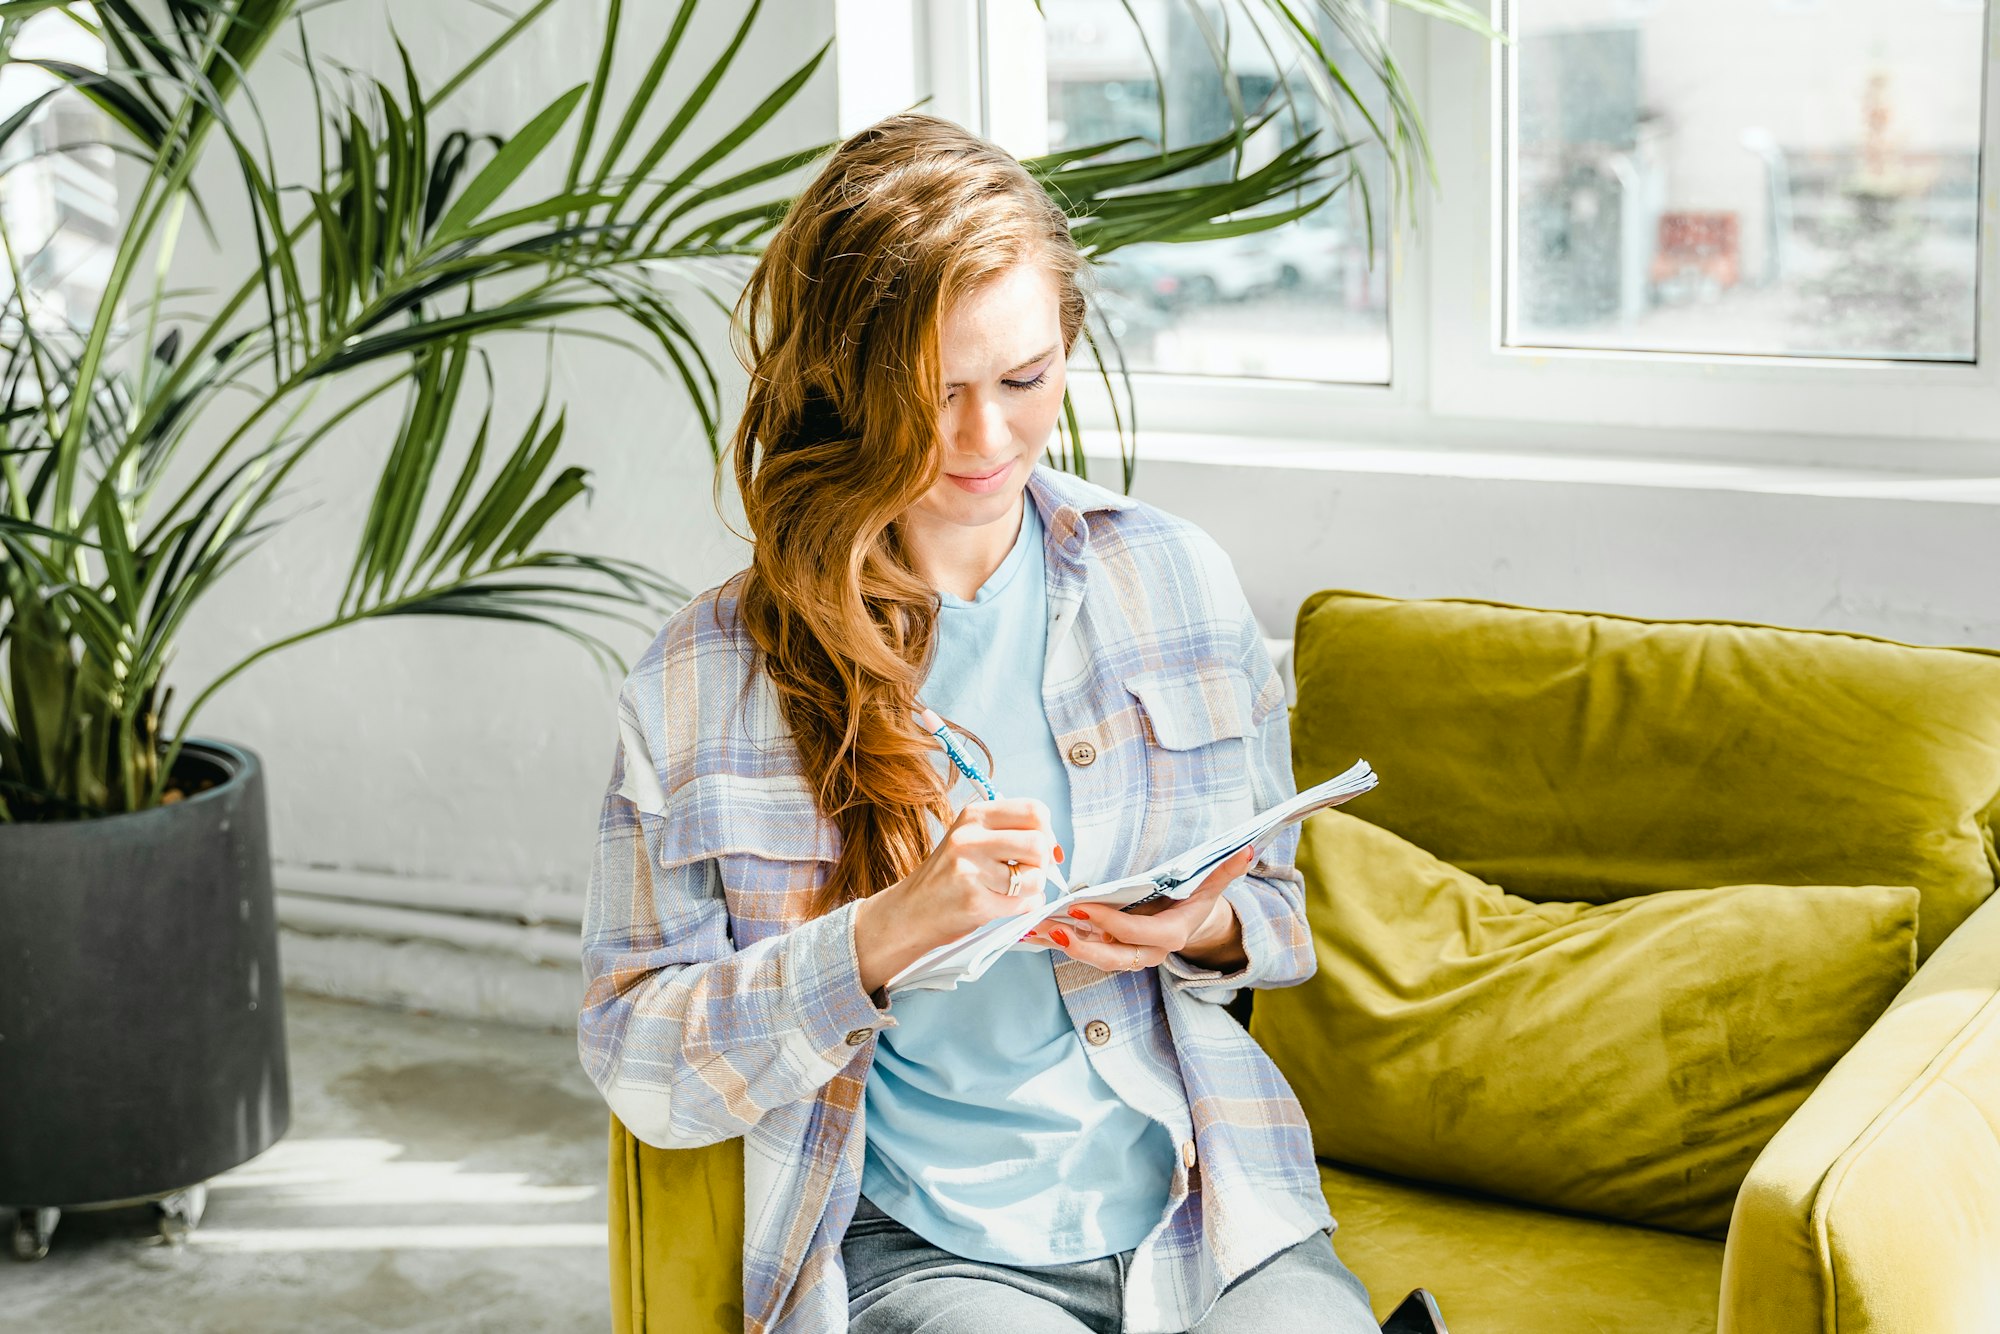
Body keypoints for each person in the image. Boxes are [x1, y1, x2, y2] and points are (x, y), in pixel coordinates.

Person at [578, 112, 1380, 1334]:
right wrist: (880, 937)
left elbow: (1272, 911)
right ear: (839, 381)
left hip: (1208, 1207)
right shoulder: (702, 681)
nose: (985, 438)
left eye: (1023, 378)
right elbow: (642, 1060)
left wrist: (1202, 921)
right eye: (932, 392)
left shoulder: (1174, 581)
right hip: (925, 1251)